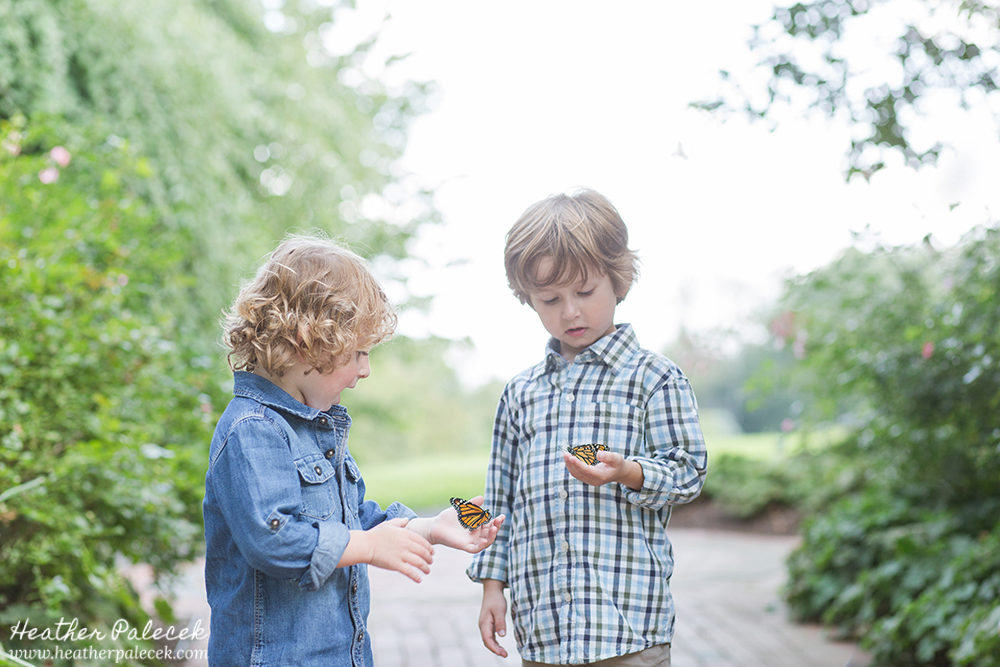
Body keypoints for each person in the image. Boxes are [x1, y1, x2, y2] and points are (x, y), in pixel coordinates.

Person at [203, 234, 503, 666]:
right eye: (358, 352)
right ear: (309, 341)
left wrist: (428, 528)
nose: (365, 370)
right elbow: (274, 541)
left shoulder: (316, 429)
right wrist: (368, 548)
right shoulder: (253, 430)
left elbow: (355, 519)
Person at [468, 189, 708, 666]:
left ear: (617, 280)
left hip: (628, 625)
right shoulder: (520, 395)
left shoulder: (653, 378)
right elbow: (499, 502)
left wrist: (628, 472)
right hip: (544, 629)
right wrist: (492, 586)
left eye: (584, 292)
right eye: (550, 299)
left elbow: (688, 472)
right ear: (528, 299)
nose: (570, 312)